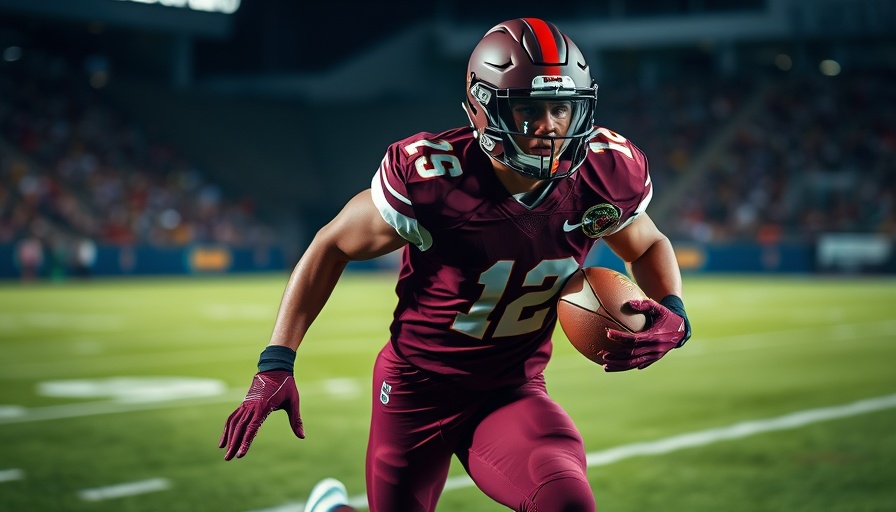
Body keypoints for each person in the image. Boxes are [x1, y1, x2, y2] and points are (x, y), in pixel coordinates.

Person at [219, 17, 691, 512]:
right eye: (530, 110)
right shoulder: (435, 177)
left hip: (511, 389)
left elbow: (647, 243)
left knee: (567, 503)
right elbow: (331, 244)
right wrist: (276, 363)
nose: (550, 126)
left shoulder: (603, 172)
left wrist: (674, 311)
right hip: (414, 389)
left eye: (562, 109)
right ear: (482, 111)